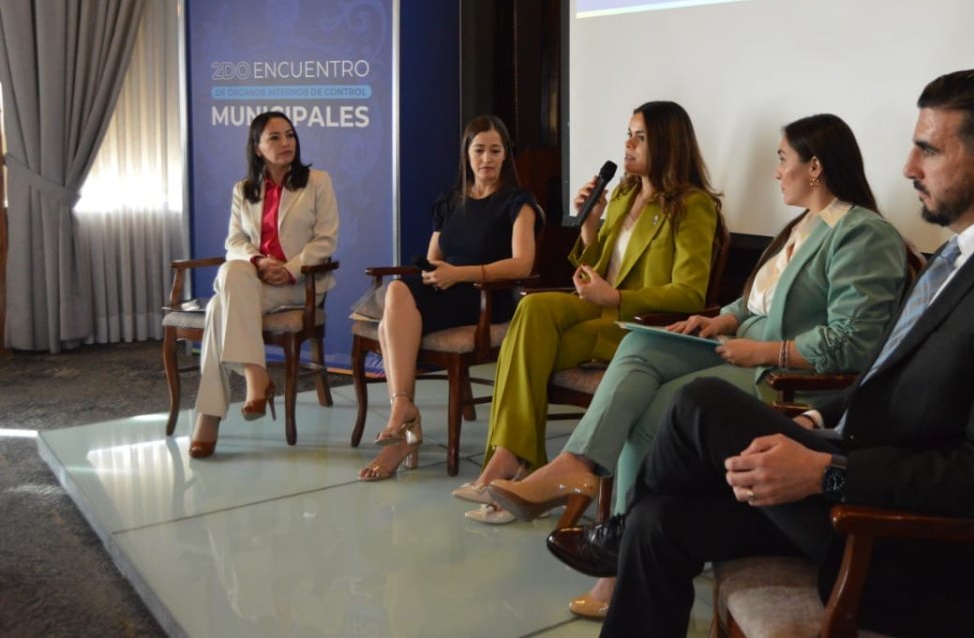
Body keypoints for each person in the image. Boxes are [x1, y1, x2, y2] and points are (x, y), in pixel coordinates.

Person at [547, 69, 974, 637]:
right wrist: (816, 420)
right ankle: (628, 529)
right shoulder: (960, 257)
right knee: (660, 520)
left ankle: (614, 530)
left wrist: (829, 475)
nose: (908, 167)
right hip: (862, 483)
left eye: (929, 150)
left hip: (915, 547)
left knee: (700, 402)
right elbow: (886, 381)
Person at [489, 114, 909, 618]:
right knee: (639, 346)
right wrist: (719, 319)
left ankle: (620, 566)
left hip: (783, 375)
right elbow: (752, 302)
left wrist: (763, 352)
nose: (776, 172)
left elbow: (853, 342)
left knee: (656, 411)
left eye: (783, 159)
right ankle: (577, 467)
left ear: (815, 167)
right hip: (741, 346)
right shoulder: (801, 225)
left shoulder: (862, 233)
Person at [453, 100, 722, 523]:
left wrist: (615, 298)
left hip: (633, 323)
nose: (627, 145)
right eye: (628, 134)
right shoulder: (625, 194)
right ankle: (512, 461)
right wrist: (590, 224)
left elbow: (689, 293)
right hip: (595, 307)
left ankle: (513, 465)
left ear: (668, 144)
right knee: (533, 308)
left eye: (640, 138)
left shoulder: (692, 206)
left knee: (526, 349)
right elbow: (594, 267)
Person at [356, 115, 539, 480]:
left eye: (495, 151)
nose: (486, 159)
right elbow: (433, 258)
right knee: (397, 293)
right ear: (467, 154)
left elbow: (523, 264)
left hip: (486, 297)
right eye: (479, 150)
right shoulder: (450, 201)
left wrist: (461, 274)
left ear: (506, 155)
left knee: (392, 314)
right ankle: (403, 409)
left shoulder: (518, 202)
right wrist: (435, 272)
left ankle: (403, 424)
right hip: (447, 289)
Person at [189, 111, 339, 458]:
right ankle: (256, 374)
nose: (286, 143)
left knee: (217, 309)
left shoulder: (317, 181)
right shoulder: (244, 189)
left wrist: (290, 269)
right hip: (255, 282)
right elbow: (234, 241)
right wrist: (259, 261)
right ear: (257, 147)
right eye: (275, 137)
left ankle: (210, 417)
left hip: (300, 284)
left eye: (290, 135)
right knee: (233, 271)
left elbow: (326, 240)